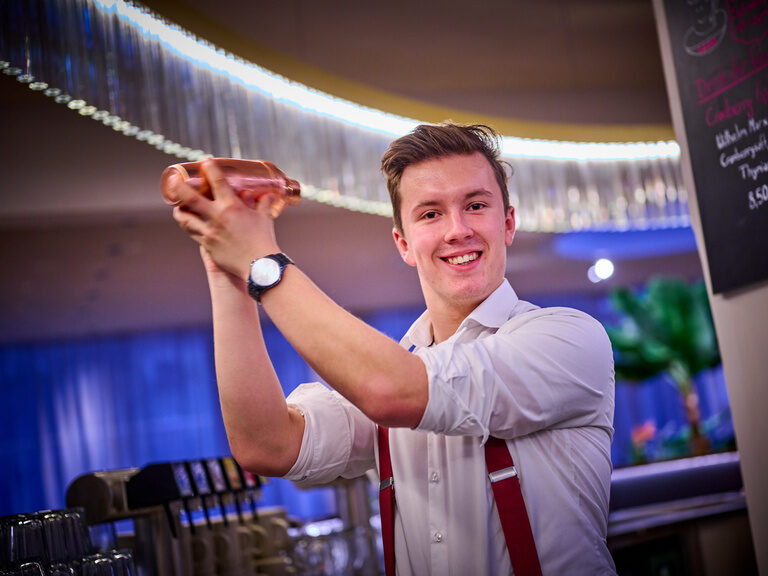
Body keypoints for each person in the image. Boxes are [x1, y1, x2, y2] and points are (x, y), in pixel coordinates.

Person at [171, 122, 617, 575]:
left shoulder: (570, 339)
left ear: (508, 223)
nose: (457, 230)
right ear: (403, 243)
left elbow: (393, 390)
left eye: (476, 205)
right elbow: (265, 445)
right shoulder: (402, 362)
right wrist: (225, 269)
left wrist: (263, 262)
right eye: (430, 214)